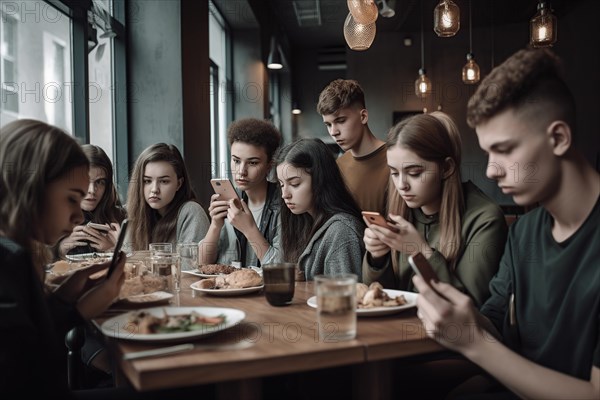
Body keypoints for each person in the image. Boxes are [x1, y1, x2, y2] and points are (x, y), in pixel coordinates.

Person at [413, 48, 600, 399]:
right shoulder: (525, 233)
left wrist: (473, 341)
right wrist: (458, 310)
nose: (490, 170)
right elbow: (495, 329)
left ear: (558, 138)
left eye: (505, 149)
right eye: (487, 153)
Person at [0, 119, 126, 397]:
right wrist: (77, 311)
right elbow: (26, 379)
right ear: (30, 188)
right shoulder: (9, 261)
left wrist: (64, 303)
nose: (80, 215)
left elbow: (23, 346)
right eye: (72, 198)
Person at [362, 112, 507, 307]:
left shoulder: (485, 219)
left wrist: (421, 252)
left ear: (446, 168)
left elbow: (472, 311)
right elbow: (380, 303)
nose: (402, 185)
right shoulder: (401, 211)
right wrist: (377, 259)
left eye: (414, 173)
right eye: (394, 173)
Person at [275, 138, 365, 280]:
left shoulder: (342, 232)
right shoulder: (300, 221)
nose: (285, 194)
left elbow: (344, 298)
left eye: (295, 184)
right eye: (281, 184)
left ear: (320, 180)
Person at [199, 118, 282, 268]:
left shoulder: (285, 204)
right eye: (236, 161)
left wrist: (249, 230)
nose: (241, 171)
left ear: (269, 166)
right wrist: (215, 226)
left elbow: (280, 268)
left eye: (253, 163)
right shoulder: (229, 200)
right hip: (228, 289)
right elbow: (201, 264)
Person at [317, 79, 389, 214]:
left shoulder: (394, 162)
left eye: (341, 121)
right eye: (328, 124)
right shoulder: (337, 167)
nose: (333, 132)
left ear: (363, 116)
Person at [126, 143, 210, 251]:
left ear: (179, 184)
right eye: (147, 181)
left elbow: (189, 265)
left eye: (164, 181)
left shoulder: (191, 212)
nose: (154, 189)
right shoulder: (133, 213)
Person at [56, 144, 126, 259]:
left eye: (100, 182)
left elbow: (137, 269)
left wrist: (113, 250)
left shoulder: (121, 217)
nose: (91, 191)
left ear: (107, 186)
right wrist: (60, 250)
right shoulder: (51, 218)